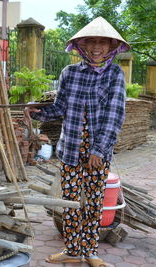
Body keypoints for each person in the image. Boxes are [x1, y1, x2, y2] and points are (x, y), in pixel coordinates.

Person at [24, 17, 130, 267]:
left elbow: (115, 116)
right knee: (70, 202)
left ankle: (91, 252)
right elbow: (60, 107)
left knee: (94, 202)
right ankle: (73, 250)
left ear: (111, 47)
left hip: (97, 152)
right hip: (70, 148)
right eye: (91, 41)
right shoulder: (69, 73)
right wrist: (36, 113)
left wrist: (99, 150)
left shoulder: (115, 74)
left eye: (102, 42)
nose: (96, 47)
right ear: (82, 45)